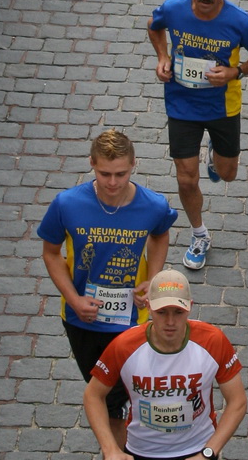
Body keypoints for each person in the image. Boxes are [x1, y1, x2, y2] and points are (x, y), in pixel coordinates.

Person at [38, 127, 177, 427]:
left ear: (133, 165)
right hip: (81, 319)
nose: (112, 183)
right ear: (91, 164)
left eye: (121, 174)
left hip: (132, 318)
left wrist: (152, 280)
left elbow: (160, 235)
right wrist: (74, 300)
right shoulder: (67, 204)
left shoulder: (153, 205)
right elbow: (50, 253)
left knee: (119, 393)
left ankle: (122, 449)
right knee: (99, 388)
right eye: (104, 174)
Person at [147, 0, 248, 271]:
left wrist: (235, 72)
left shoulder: (239, 21)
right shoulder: (173, 9)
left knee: (227, 173)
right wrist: (162, 57)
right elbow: (153, 26)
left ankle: (215, 152)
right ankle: (199, 234)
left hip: (222, 107)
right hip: (181, 103)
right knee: (186, 179)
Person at [84, 268, 247, 460]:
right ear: (149, 306)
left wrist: (208, 453)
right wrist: (111, 449)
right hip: (140, 453)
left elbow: (237, 402)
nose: (170, 322)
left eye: (178, 312)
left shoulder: (213, 341)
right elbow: (93, 395)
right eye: (162, 312)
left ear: (190, 307)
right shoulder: (124, 346)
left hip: (195, 455)